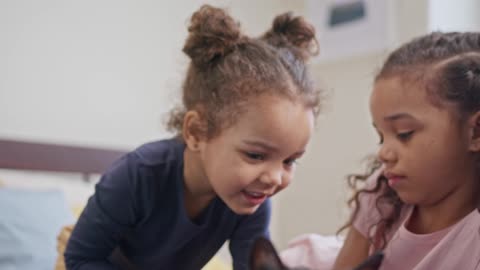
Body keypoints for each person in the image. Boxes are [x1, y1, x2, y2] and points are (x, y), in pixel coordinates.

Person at [65, 4, 322, 270]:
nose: (274, 178)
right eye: (255, 155)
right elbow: (80, 258)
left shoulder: (251, 199)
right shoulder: (136, 176)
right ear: (197, 132)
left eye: (289, 161)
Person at [334, 32, 480, 270]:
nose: (383, 154)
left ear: (475, 132)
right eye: (381, 136)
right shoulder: (382, 191)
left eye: (404, 133)